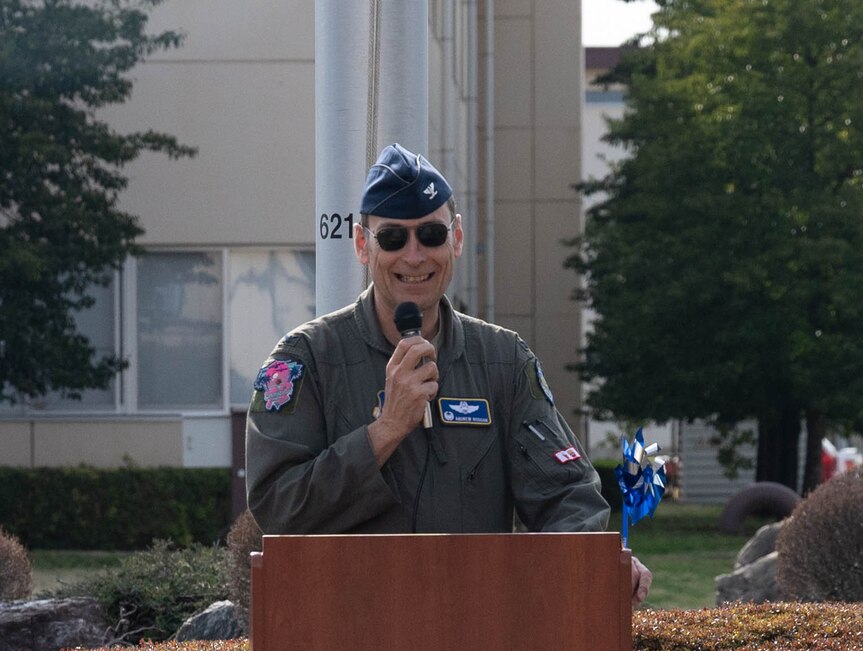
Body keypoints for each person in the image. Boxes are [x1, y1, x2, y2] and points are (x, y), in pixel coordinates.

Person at [246, 143, 652, 604]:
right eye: (393, 238)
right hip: (349, 639)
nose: (415, 257)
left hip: (478, 632)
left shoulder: (502, 360)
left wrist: (590, 559)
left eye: (432, 235)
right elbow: (277, 507)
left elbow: (568, 494)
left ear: (456, 238)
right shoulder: (306, 360)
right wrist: (384, 431)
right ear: (363, 245)